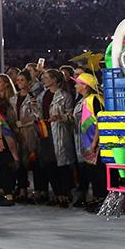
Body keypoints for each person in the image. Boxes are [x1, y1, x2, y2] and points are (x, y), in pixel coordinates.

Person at [41, 69, 76, 207]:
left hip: (60, 132)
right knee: (49, 164)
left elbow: (71, 116)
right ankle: (56, 193)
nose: (43, 79)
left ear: (54, 79)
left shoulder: (65, 96)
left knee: (62, 165)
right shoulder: (42, 95)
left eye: (46, 77)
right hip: (45, 132)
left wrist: (60, 117)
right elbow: (40, 113)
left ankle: (65, 194)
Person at [72, 73, 105, 213]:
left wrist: (93, 144)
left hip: (96, 144)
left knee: (99, 173)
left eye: (78, 83)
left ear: (85, 86)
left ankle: (101, 199)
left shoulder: (95, 99)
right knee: (92, 172)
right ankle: (97, 198)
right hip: (88, 143)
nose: (75, 85)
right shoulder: (86, 100)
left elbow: (101, 121)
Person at [10, 68, 42, 204]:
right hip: (16, 133)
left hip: (30, 132)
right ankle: (22, 190)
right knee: (19, 164)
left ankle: (38, 191)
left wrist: (22, 122)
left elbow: (37, 115)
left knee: (32, 161)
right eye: (17, 80)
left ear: (28, 82)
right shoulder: (13, 98)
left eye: (22, 80)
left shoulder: (33, 98)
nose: (19, 82)